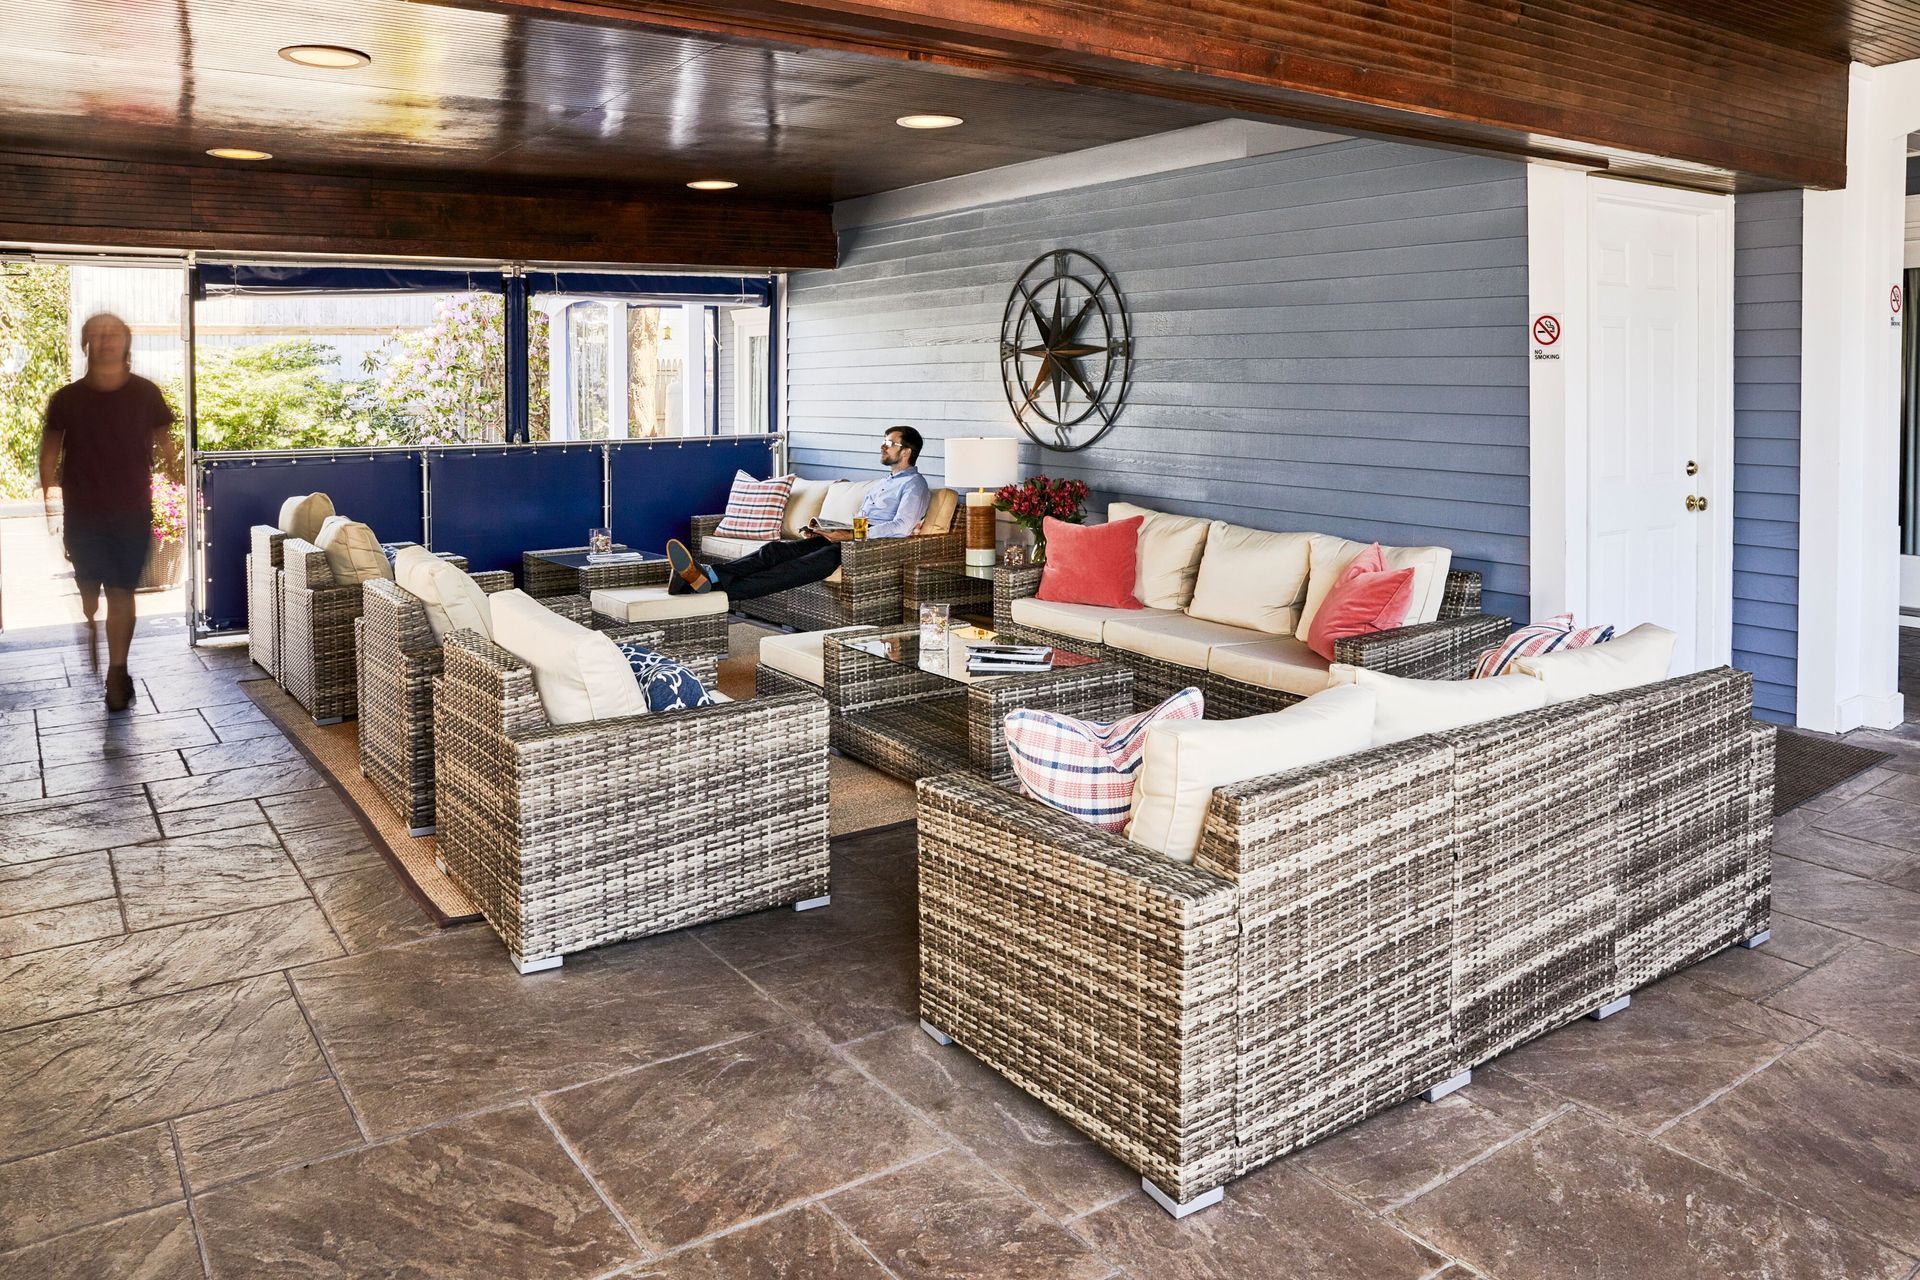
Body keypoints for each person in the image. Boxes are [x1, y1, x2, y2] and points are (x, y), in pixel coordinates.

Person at [40, 313, 176, 711]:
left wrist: (173, 473)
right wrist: (48, 493)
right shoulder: (66, 399)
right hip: (82, 511)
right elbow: (51, 449)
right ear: (86, 344)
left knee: (121, 589)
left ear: (126, 342)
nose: (105, 341)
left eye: (112, 334)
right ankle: (88, 617)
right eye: (97, 335)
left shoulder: (146, 393)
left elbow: (165, 441)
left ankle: (117, 670)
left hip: (131, 510)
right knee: (89, 591)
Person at [666, 425, 931, 599]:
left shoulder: (914, 485)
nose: (883, 446)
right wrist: (825, 529)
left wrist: (849, 536)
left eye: (889, 443)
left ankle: (709, 587)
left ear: (906, 451)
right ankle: (708, 575)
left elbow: (901, 526)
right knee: (775, 550)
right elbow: (862, 520)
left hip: (866, 550)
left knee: (793, 567)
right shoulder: (884, 482)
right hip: (849, 539)